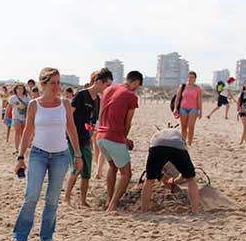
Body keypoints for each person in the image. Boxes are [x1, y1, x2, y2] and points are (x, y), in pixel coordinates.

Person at [9, 68, 82, 241]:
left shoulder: (65, 104)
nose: (57, 86)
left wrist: (78, 154)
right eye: (53, 83)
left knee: (52, 198)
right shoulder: (34, 104)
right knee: (31, 195)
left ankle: (46, 236)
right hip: (38, 154)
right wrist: (20, 157)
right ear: (43, 84)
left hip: (61, 155)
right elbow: (28, 131)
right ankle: (19, 237)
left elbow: (71, 129)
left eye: (59, 82)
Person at [64, 67, 113, 207]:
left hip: (86, 139)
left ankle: (82, 200)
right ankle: (67, 198)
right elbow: (69, 116)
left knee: (86, 172)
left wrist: (94, 130)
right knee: (76, 168)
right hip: (74, 138)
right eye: (107, 85)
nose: (107, 88)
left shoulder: (97, 100)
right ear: (98, 82)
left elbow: (92, 121)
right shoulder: (80, 95)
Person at [96, 71, 143, 213]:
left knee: (112, 167)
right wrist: (124, 139)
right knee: (126, 174)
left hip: (101, 135)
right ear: (135, 82)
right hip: (114, 136)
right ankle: (113, 205)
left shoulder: (109, 89)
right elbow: (128, 122)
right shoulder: (131, 96)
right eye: (138, 86)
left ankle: (110, 201)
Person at [140, 128, 200, 214]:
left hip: (157, 146)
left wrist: (161, 176)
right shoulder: (179, 135)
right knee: (191, 178)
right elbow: (185, 173)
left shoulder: (157, 134)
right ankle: (195, 210)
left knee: (149, 180)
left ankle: (144, 210)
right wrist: (175, 181)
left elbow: (153, 165)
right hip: (177, 146)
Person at [174, 72, 203, 146]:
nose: (190, 79)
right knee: (183, 127)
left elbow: (199, 100)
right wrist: (175, 108)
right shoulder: (182, 86)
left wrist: (200, 111)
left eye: (192, 77)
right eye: (189, 77)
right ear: (187, 78)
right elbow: (177, 98)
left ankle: (189, 143)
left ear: (195, 79)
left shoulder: (198, 88)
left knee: (191, 126)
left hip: (193, 109)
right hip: (183, 108)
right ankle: (183, 143)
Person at [8, 84, 30, 153]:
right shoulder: (13, 98)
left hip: (25, 117)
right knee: (17, 132)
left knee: (23, 133)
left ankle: (22, 148)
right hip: (16, 117)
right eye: (18, 88)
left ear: (24, 90)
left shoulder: (27, 98)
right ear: (15, 90)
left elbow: (30, 107)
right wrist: (6, 116)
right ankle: (16, 149)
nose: (20, 90)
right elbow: (9, 107)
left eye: (21, 88)